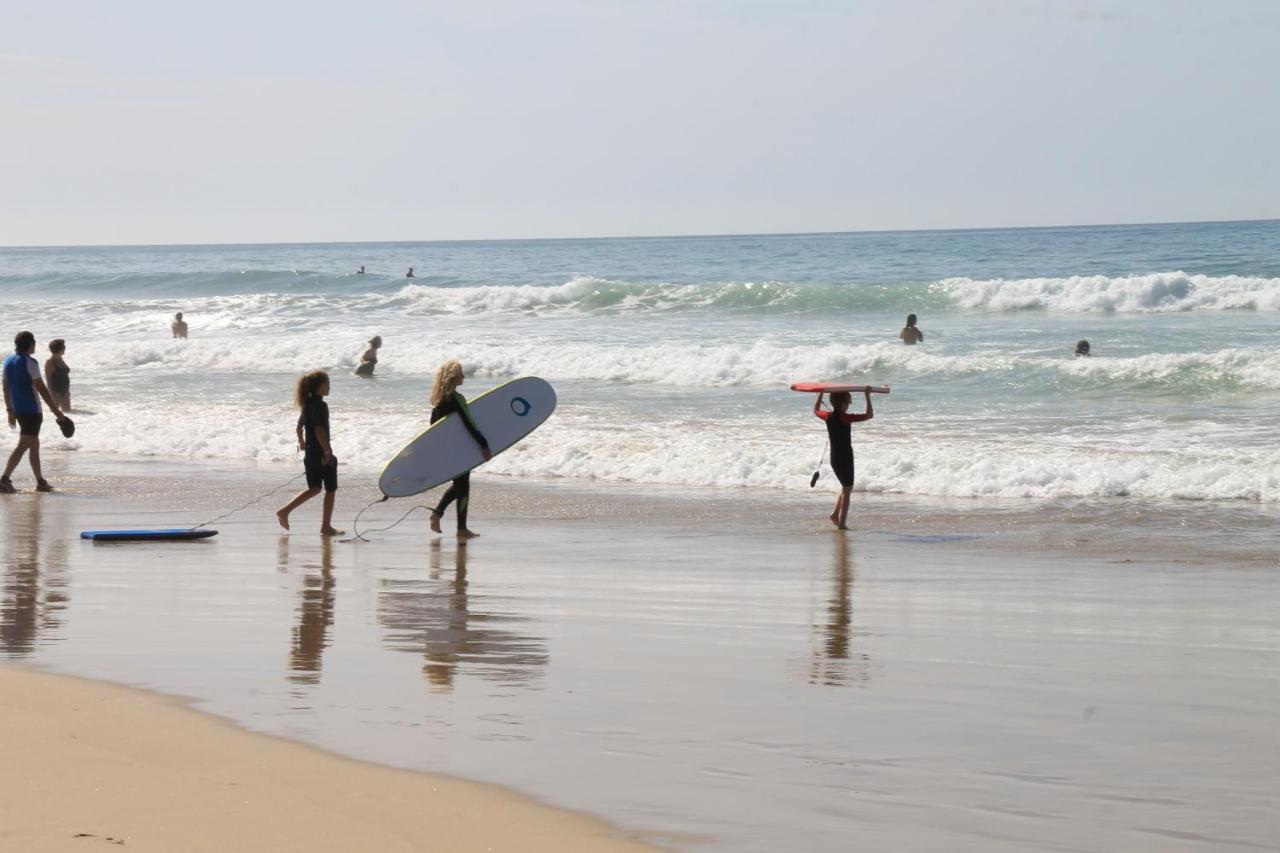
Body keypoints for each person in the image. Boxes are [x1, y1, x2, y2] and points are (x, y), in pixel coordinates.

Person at [427, 360, 491, 542]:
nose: (464, 376)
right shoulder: (457, 399)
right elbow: (469, 423)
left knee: (462, 484)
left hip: (445, 450)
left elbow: (432, 427)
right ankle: (439, 515)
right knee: (462, 485)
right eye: (461, 373)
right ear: (454, 377)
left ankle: (460, 527)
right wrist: (484, 444)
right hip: (460, 450)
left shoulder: (438, 402)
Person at [2, 331, 71, 493]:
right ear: (30, 344)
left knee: (34, 445)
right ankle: (4, 479)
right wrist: (57, 413)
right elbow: (42, 390)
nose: (35, 346)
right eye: (34, 343)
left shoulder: (8, 361)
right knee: (23, 444)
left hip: (18, 410)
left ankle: (40, 481)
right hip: (32, 411)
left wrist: (10, 410)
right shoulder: (30, 362)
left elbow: (5, 388)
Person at [276, 370, 343, 536]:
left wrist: (302, 443)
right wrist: (327, 452)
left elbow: (299, 428)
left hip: (311, 454)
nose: (329, 387)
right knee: (330, 489)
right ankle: (326, 526)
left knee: (314, 488)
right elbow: (319, 430)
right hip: (321, 453)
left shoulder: (307, 404)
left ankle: (285, 511)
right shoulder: (321, 405)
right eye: (327, 384)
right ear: (319, 386)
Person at [814, 389, 873, 530]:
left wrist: (820, 395)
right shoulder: (845, 418)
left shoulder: (827, 416)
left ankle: (835, 515)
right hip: (845, 457)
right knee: (847, 491)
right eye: (848, 401)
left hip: (834, 457)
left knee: (846, 488)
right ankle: (841, 524)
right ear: (843, 403)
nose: (849, 404)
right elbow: (869, 415)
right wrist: (867, 395)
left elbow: (816, 410)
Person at [44, 339, 71, 412]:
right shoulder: (50, 362)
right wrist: (52, 394)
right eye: (63, 347)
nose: (65, 349)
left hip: (65, 390)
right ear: (60, 349)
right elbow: (48, 380)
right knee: (55, 413)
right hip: (56, 392)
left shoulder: (60, 359)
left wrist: (67, 391)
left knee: (68, 412)